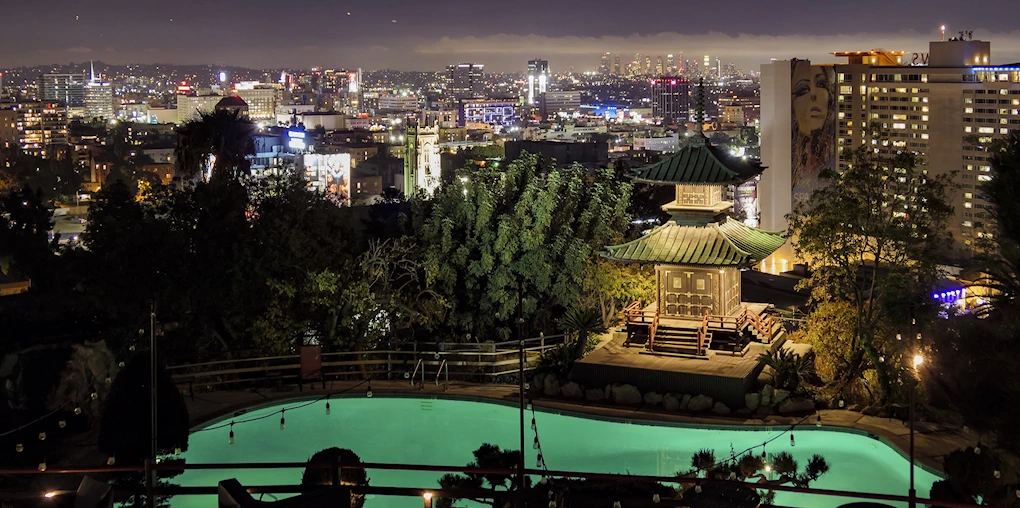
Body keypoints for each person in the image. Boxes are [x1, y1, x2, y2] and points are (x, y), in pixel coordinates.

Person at [790, 59, 836, 202]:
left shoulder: (834, 158)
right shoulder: (789, 167)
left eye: (821, 84)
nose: (813, 95)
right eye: (803, 90)